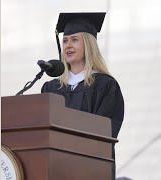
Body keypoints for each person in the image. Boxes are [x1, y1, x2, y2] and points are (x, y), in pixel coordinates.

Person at [41, 12, 124, 179]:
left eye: (75, 40)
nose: (68, 45)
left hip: (90, 168)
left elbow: (104, 132)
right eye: (65, 40)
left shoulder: (105, 86)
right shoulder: (51, 88)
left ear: (88, 44)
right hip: (56, 168)